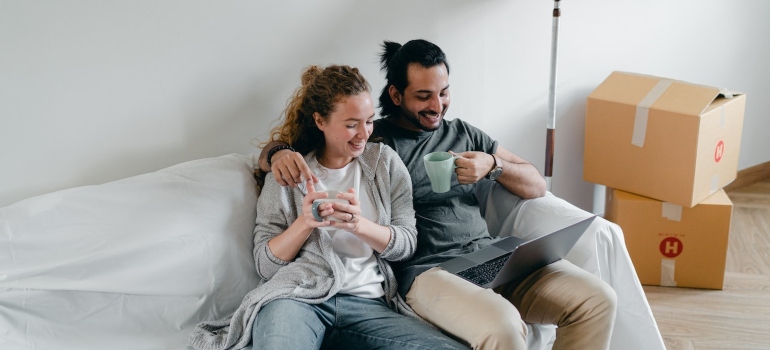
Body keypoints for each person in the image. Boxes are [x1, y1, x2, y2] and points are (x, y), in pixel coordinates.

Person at [259, 40, 618, 350]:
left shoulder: (463, 134)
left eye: (443, 92)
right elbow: (301, 149)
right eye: (423, 96)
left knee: (598, 299)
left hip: (491, 256)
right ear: (397, 95)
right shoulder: (377, 142)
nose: (437, 105)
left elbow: (536, 185)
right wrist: (276, 153)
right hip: (430, 271)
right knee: (503, 326)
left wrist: (493, 165)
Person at [188, 65, 467, 350]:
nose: (363, 134)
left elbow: (406, 244)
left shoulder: (384, 163)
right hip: (296, 299)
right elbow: (265, 265)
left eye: (369, 121)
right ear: (320, 121)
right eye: (350, 124)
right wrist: (305, 222)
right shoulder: (287, 172)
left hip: (368, 305)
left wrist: (359, 225)